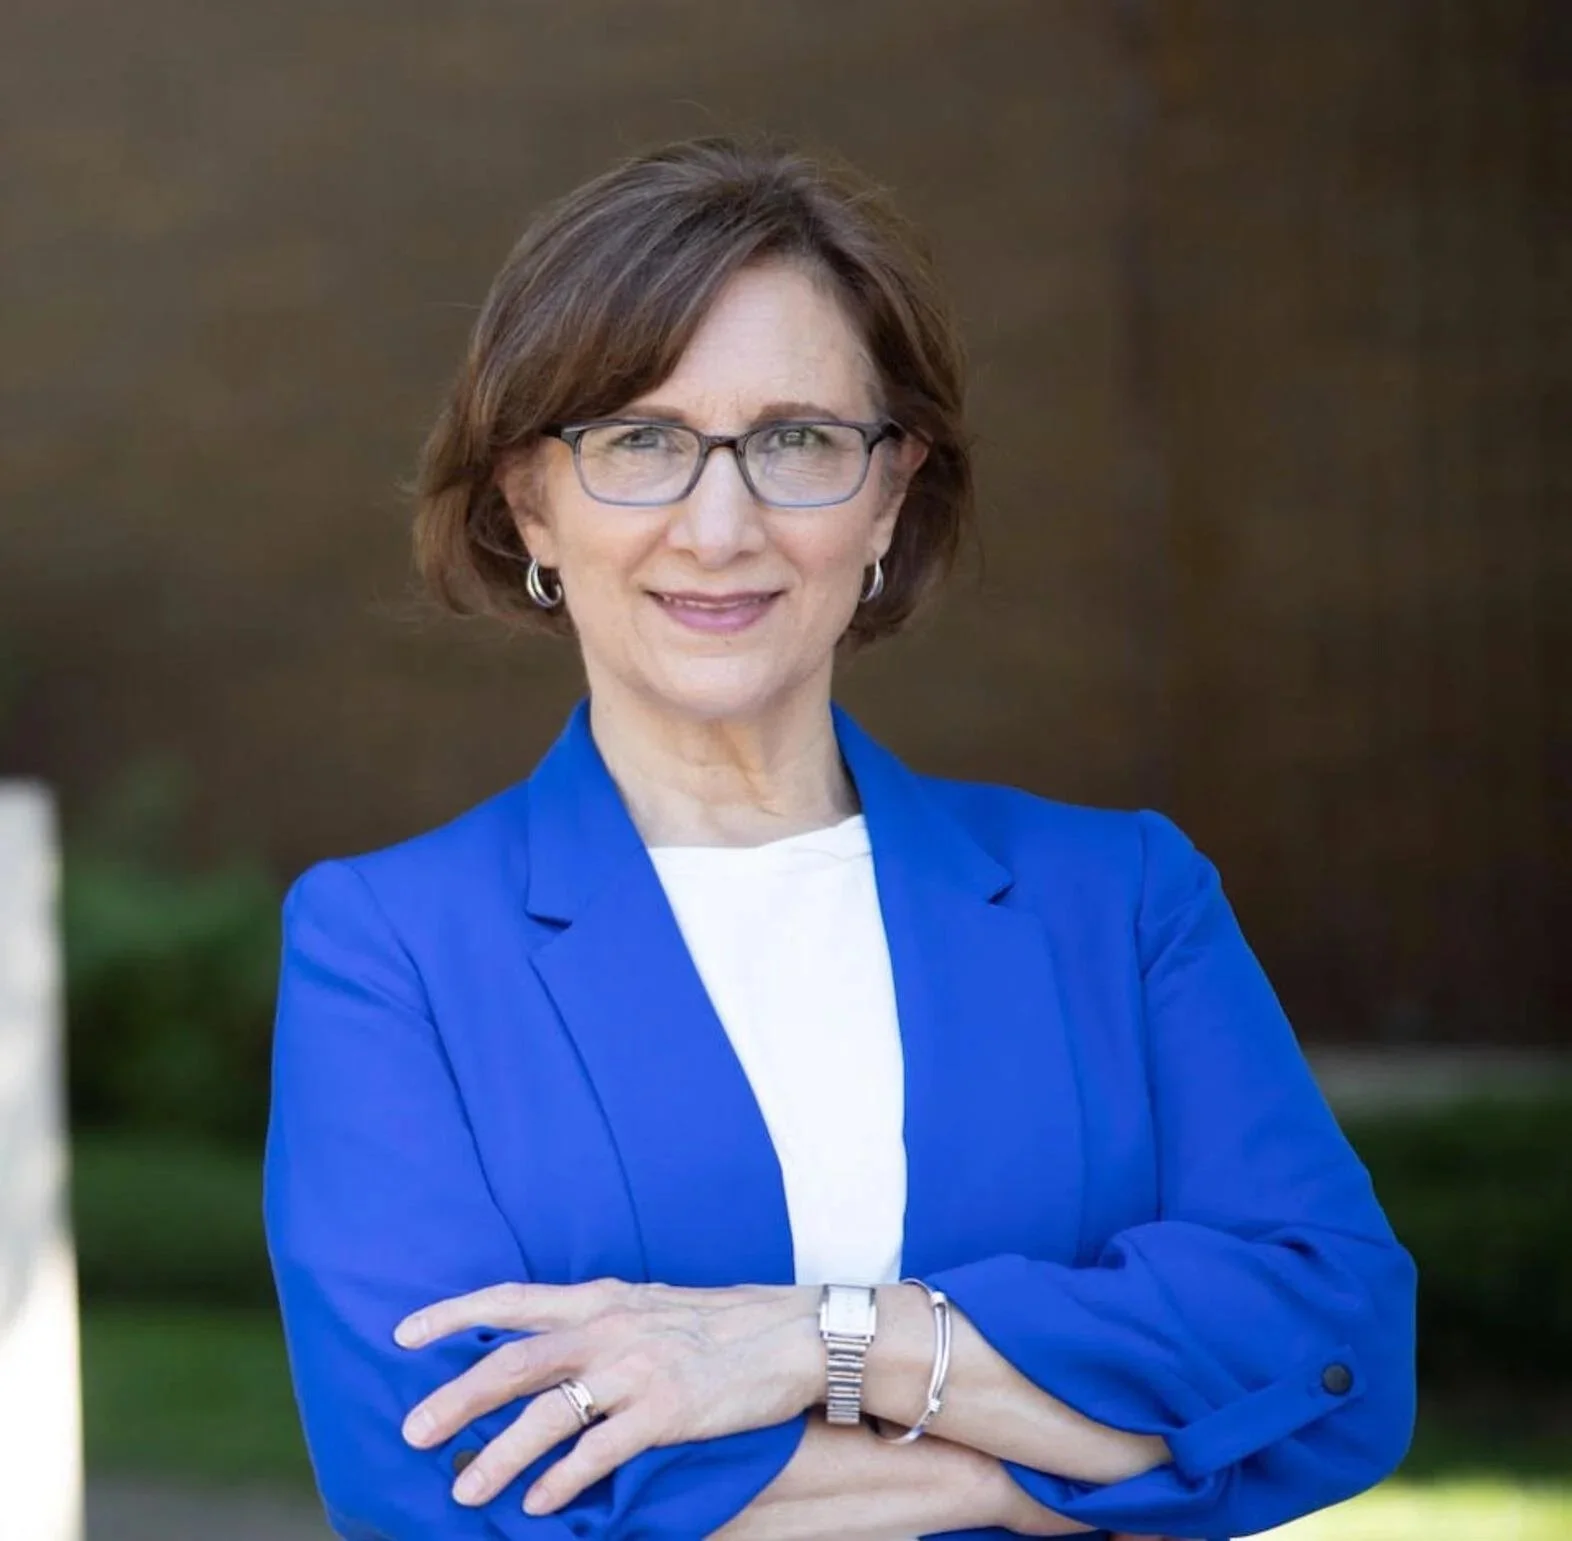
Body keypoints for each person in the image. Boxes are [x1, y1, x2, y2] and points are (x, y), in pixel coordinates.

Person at [264, 137, 1417, 1541]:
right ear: (529, 501)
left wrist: (815, 1345)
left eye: (797, 441)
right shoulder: (392, 946)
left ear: (889, 493)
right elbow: (448, 1490)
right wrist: (1070, 1467)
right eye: (640, 441)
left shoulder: (1118, 900)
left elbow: (1338, 1361)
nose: (720, 523)